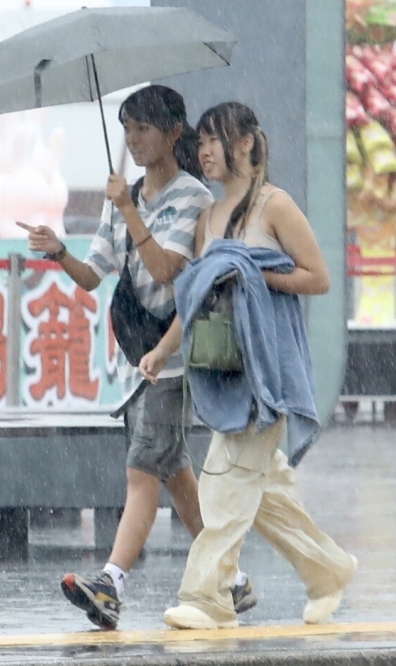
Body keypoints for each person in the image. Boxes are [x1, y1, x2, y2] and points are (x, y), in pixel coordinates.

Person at [19, 86, 256, 631]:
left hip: (177, 353)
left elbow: (168, 269)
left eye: (144, 127)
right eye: (127, 128)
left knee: (140, 471)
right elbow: (91, 276)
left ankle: (111, 584)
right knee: (172, 471)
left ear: (175, 132)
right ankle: (234, 580)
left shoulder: (192, 197)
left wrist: (130, 206)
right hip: (141, 356)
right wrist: (57, 249)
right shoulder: (120, 198)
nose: (133, 138)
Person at [138, 102, 357, 630]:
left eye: (214, 140)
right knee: (262, 497)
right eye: (202, 142)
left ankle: (208, 595)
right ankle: (328, 569)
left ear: (245, 144)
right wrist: (164, 349)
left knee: (222, 483)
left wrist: (255, 277)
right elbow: (194, 299)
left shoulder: (275, 206)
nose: (204, 151)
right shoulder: (209, 218)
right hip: (225, 370)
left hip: (268, 372)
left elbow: (318, 278)